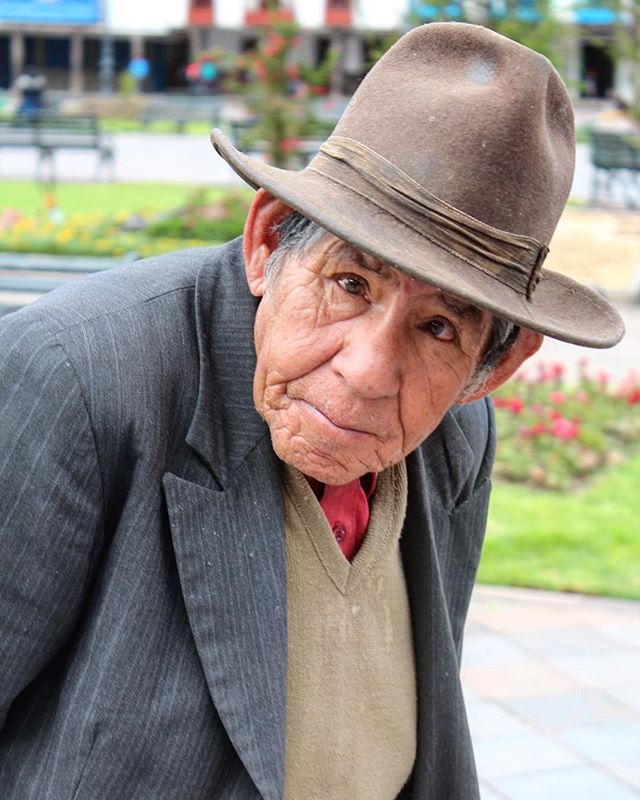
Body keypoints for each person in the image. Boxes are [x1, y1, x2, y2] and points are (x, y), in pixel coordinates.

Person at [0, 22, 624, 800]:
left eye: (438, 327)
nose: (368, 373)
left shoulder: (457, 431)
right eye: (351, 284)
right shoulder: (76, 379)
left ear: (494, 366)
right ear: (267, 241)